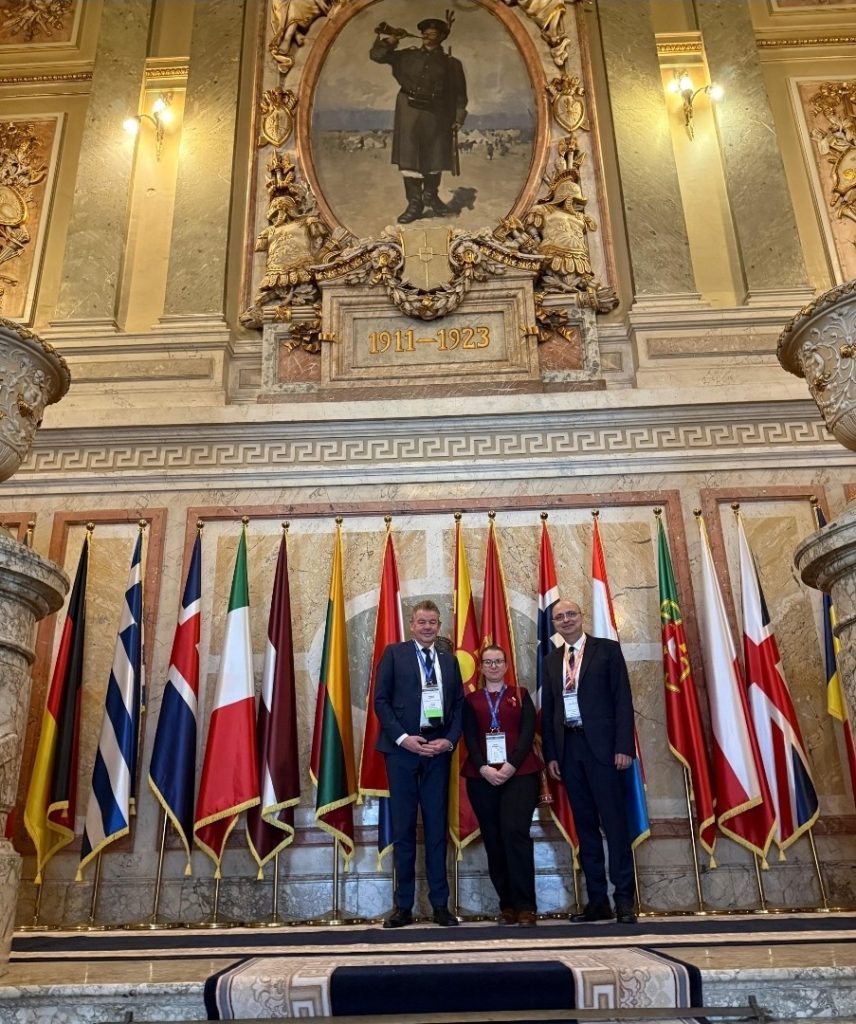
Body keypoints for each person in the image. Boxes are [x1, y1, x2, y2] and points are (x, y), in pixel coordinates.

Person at [541, 599, 637, 925]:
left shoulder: (607, 650)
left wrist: (623, 747)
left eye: (571, 614)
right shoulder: (551, 660)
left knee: (615, 825)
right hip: (569, 751)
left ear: (581, 617)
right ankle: (597, 901)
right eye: (559, 617)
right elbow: (550, 711)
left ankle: (624, 900)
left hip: (605, 751)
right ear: (554, 623)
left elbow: (622, 700)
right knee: (585, 828)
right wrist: (552, 755)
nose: (566, 620)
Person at [374, 599, 464, 927]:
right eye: (422, 622)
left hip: (437, 752)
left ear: (439, 626)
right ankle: (403, 906)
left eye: (433, 622)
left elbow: (458, 706)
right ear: (412, 625)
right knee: (404, 829)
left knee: (437, 829)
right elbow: (380, 701)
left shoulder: (449, 661)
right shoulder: (394, 654)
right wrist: (403, 738)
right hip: (402, 752)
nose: (427, 627)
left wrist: (448, 741)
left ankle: (440, 905)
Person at [461, 645, 541, 926]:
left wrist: (511, 766)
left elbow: (528, 733)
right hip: (482, 777)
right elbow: (469, 736)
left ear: (506, 665)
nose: (493, 666)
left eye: (498, 661)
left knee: (514, 832)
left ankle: (526, 906)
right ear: (481, 668)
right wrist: (483, 767)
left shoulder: (521, 694)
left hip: (520, 774)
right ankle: (507, 905)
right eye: (488, 662)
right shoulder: (471, 700)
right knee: (494, 839)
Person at [370, 16, 467, 223]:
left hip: (438, 114)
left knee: (434, 157)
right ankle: (414, 204)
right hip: (409, 113)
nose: (428, 35)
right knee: (409, 158)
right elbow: (377, 55)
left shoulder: (452, 64)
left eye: (434, 33)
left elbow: (460, 95)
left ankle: (430, 196)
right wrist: (392, 39)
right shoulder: (406, 56)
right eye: (425, 32)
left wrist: (459, 117)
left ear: (442, 37)